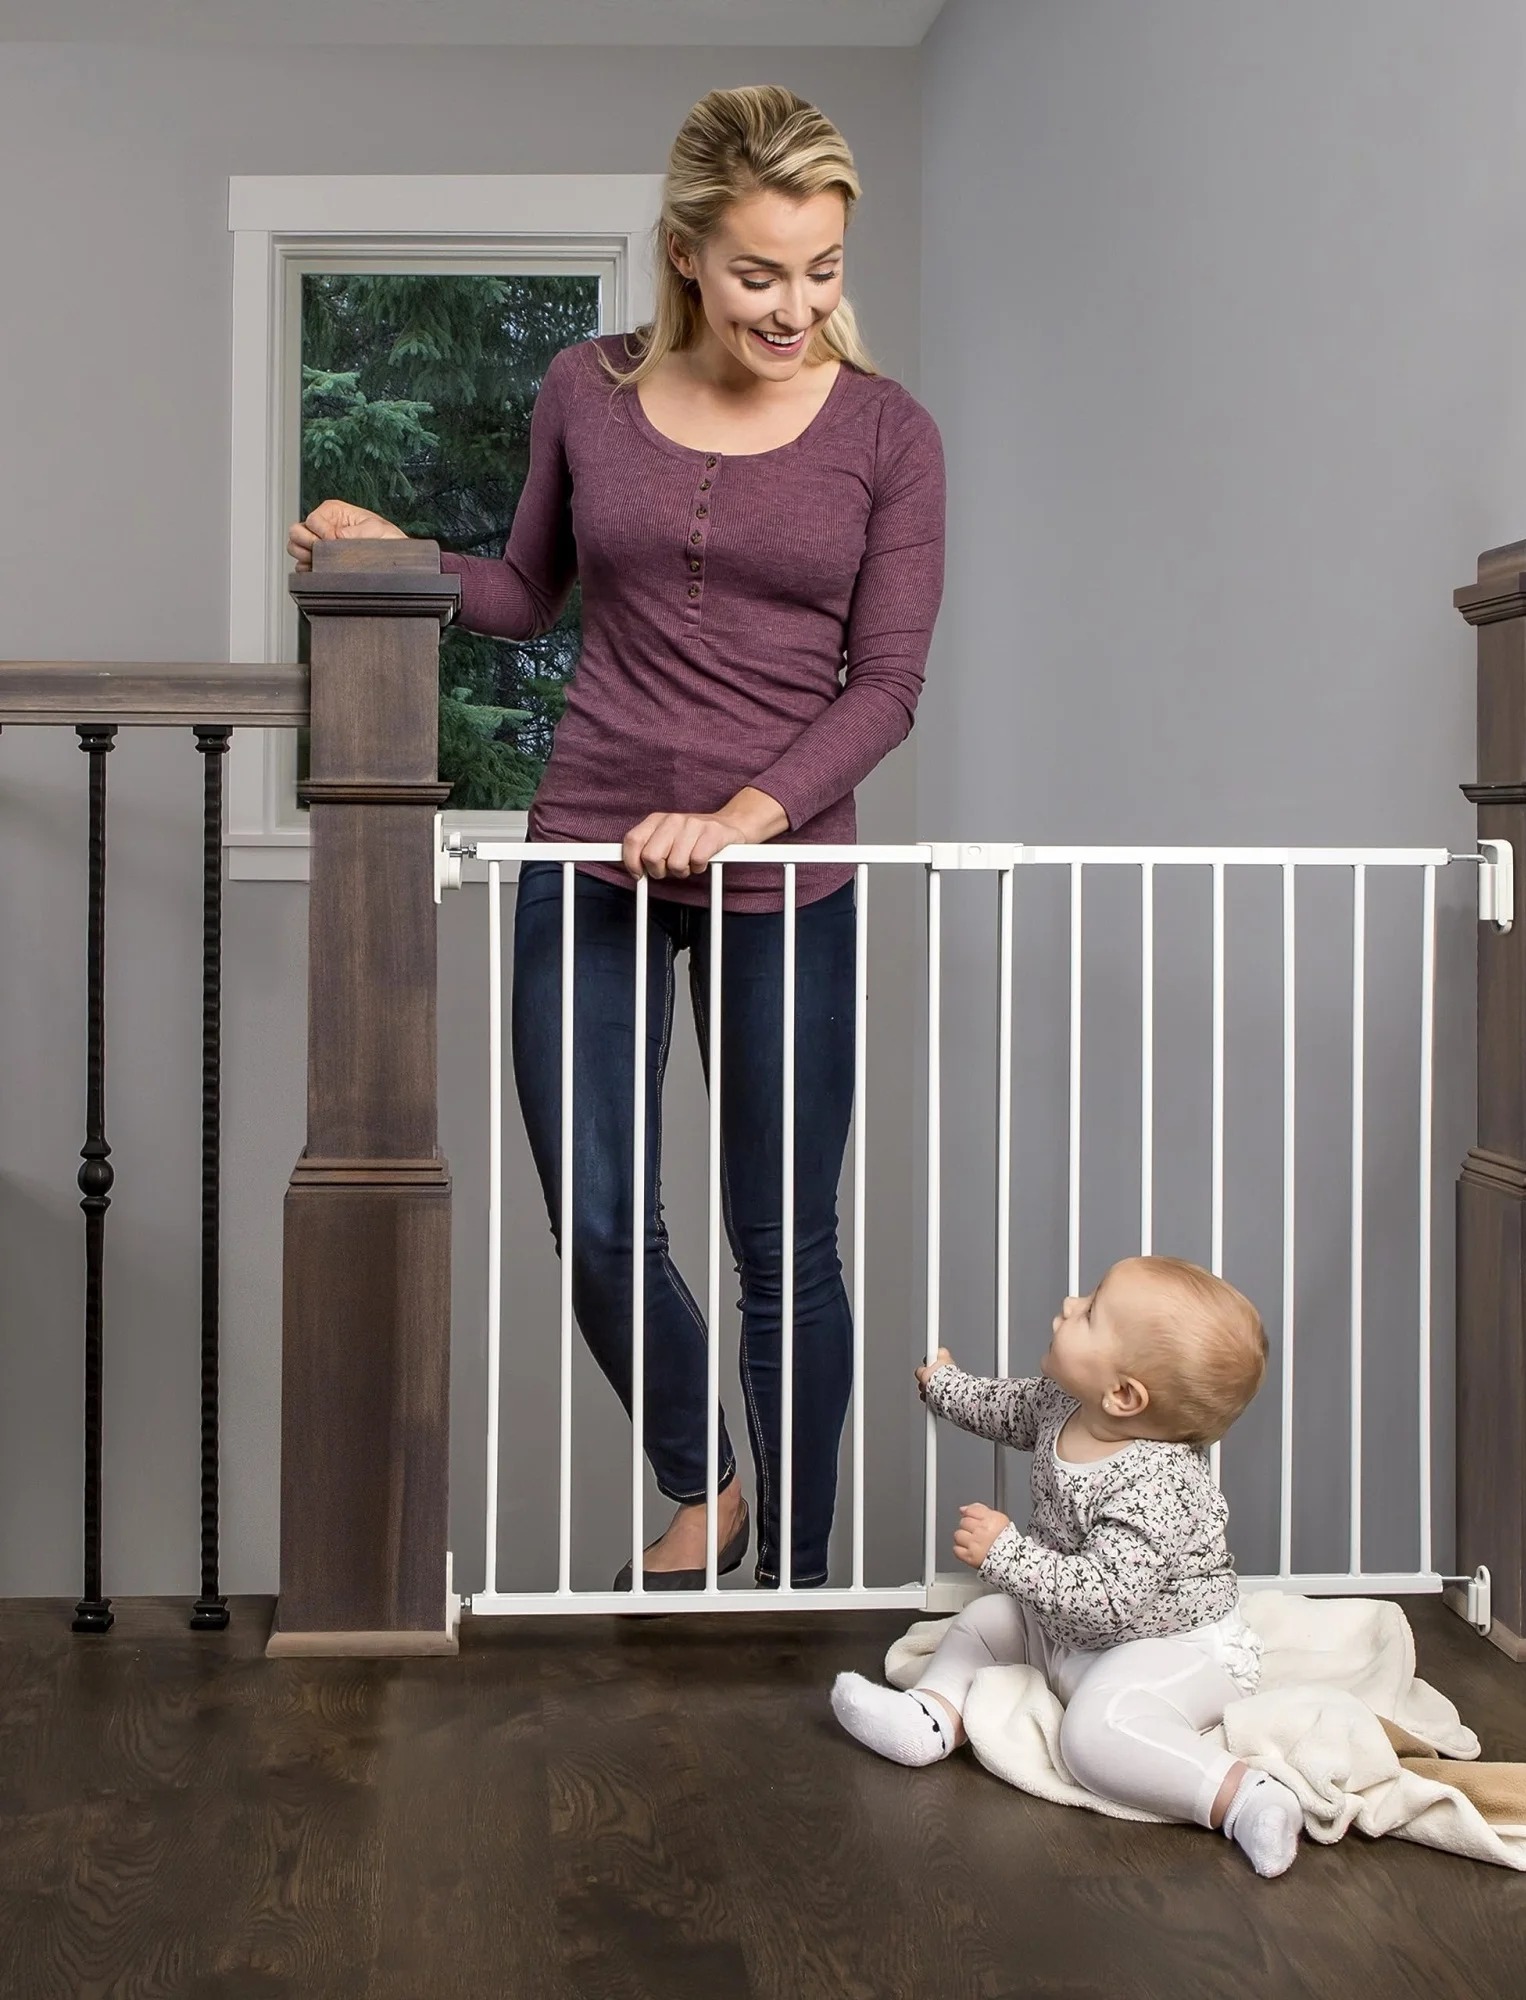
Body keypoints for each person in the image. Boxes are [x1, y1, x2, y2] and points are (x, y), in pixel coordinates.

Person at [288, 86, 946, 1591]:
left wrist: (733, 821)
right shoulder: (586, 388)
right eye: (762, 271)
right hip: (586, 844)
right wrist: (391, 556)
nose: (797, 306)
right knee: (593, 1214)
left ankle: (797, 1572)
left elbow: (889, 687)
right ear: (690, 254)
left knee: (786, 1247)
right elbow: (528, 588)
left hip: (786, 867)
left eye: (825, 267)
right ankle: (699, 1475)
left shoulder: (890, 437)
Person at [830, 1257, 1308, 1879]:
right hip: (1077, 1633)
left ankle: (1247, 1798)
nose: (1068, 1302)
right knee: (985, 1621)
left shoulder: (1156, 1484)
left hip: (1174, 1647)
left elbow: (1110, 1600)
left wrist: (1007, 1554)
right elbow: (1005, 1408)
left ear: (1125, 1394)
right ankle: (931, 1716)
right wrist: (945, 1386)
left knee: (1091, 1736)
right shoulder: (1066, 1404)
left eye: (1090, 1311)